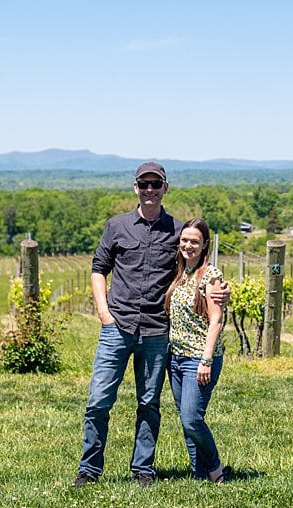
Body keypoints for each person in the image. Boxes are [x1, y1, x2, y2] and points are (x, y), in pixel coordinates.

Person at [75, 162, 230, 487]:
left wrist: (219, 288)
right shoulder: (117, 226)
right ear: (135, 187)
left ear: (165, 188)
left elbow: (196, 261)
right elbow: (98, 268)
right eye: (144, 184)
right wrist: (104, 312)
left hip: (157, 331)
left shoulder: (176, 230)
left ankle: (143, 469)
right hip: (117, 327)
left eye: (155, 184)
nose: (149, 189)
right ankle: (89, 469)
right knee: (98, 400)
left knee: (149, 403)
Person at [165, 218, 228, 483]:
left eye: (195, 241)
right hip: (175, 357)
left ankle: (214, 469)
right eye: (185, 240)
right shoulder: (179, 272)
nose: (188, 245)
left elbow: (216, 319)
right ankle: (198, 474)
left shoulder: (211, 276)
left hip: (198, 359)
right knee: (185, 418)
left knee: (192, 419)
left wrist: (206, 359)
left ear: (205, 246)